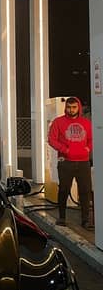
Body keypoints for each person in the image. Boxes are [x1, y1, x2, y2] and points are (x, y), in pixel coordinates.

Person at [47, 96, 93, 230]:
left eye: (74, 107)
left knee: (85, 191)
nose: (71, 110)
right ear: (65, 107)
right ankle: (62, 217)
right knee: (63, 190)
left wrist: (87, 149)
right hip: (66, 162)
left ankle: (85, 220)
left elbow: (91, 139)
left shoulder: (86, 123)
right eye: (69, 107)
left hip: (84, 162)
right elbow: (51, 139)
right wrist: (65, 150)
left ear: (78, 107)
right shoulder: (58, 122)